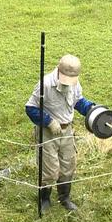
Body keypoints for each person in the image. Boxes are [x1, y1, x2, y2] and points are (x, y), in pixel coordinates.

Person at [25, 54, 96, 213]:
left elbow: (78, 101)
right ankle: (44, 199)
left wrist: (91, 109)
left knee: (68, 166)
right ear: (58, 70)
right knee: (49, 169)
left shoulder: (75, 84)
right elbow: (30, 108)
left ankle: (64, 198)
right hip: (48, 132)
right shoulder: (44, 84)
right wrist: (48, 121)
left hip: (67, 130)